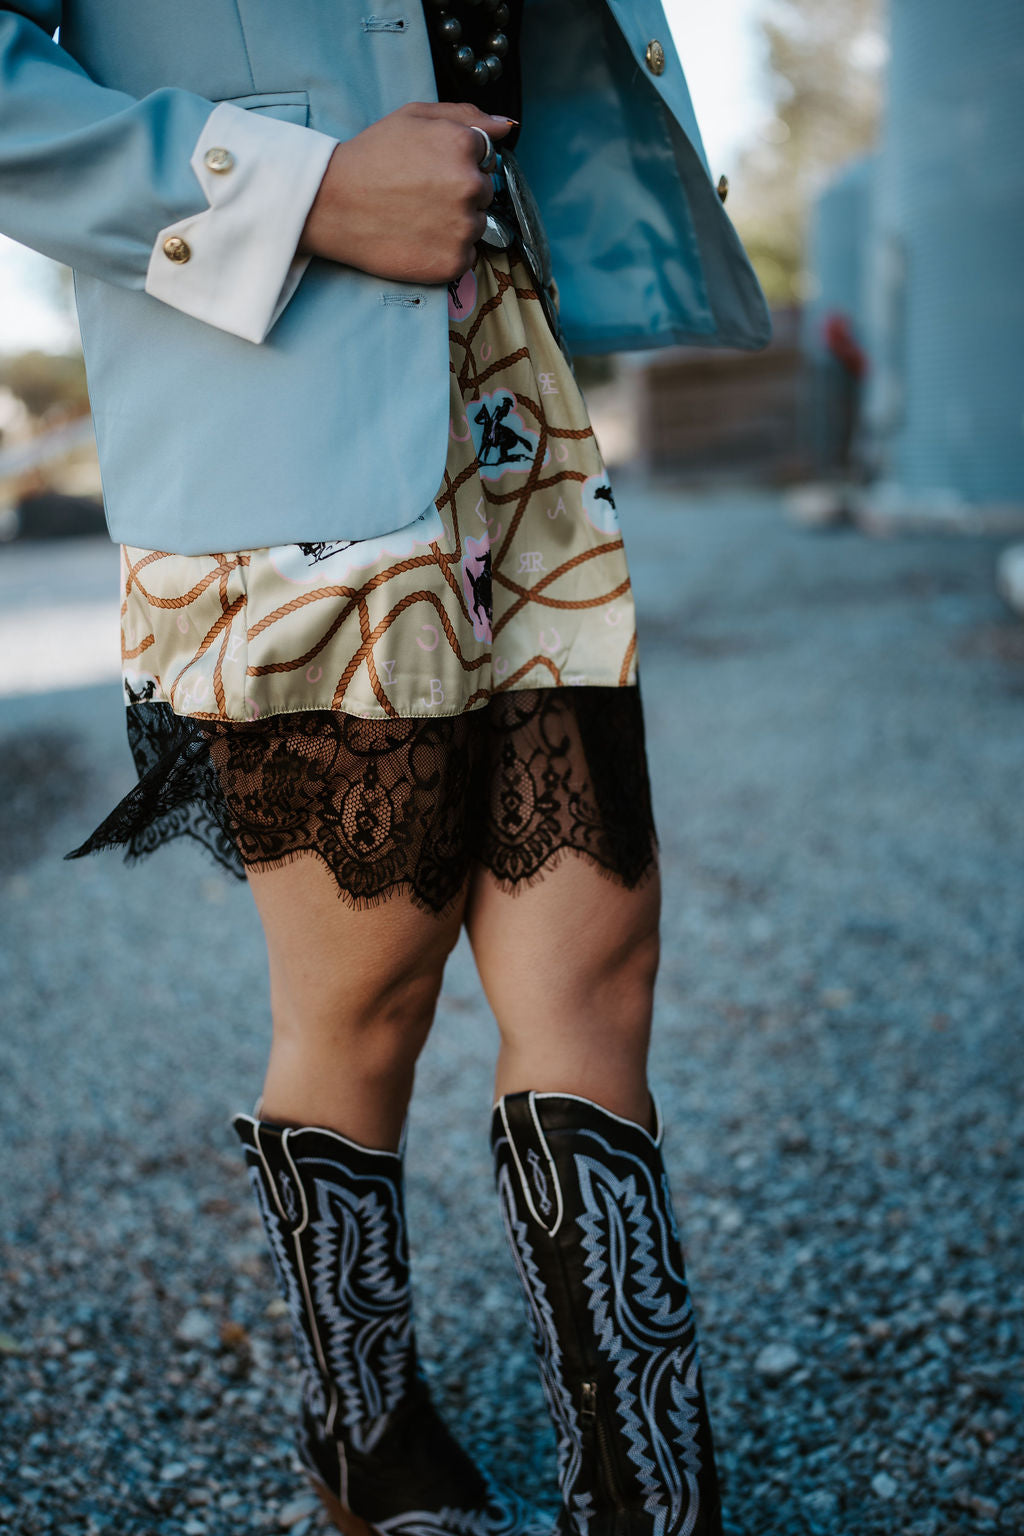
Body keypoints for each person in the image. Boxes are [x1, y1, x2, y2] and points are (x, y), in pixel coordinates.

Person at [0, 3, 770, 1533]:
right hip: (278, 373)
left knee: (599, 952)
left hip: (509, 373)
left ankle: (649, 1499)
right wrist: (293, 192)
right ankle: (362, 1429)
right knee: (370, 994)